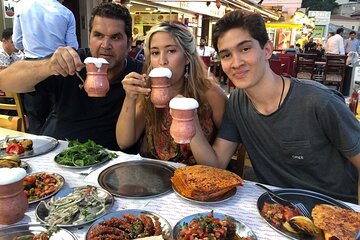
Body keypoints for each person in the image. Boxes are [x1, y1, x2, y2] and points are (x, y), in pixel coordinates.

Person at [190, 10, 360, 204]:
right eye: (227, 55)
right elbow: (216, 164)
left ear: (267, 50)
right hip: (277, 211)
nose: (236, 63)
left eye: (245, 49)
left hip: (339, 213)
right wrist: (190, 120)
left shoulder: (319, 101)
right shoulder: (237, 102)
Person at [0, 2, 143, 151]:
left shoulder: (137, 75)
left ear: (129, 44)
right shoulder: (72, 62)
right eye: (98, 35)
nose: (105, 45)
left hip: (109, 162)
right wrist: (47, 66)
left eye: (115, 37)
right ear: (90, 37)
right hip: (58, 155)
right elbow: (4, 81)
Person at [116, 21, 227, 165]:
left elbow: (215, 166)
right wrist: (130, 97)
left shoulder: (211, 93)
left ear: (187, 58)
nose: (162, 61)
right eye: (155, 53)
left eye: (171, 51)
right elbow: (124, 142)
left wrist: (188, 115)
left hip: (198, 180)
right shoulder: (148, 93)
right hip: (157, 177)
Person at [12, 0, 79, 134]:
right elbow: (73, 46)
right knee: (59, 116)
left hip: (32, 69)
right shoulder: (66, 13)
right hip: (59, 69)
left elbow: (17, 42)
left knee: (35, 118)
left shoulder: (22, 6)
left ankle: (37, 151)